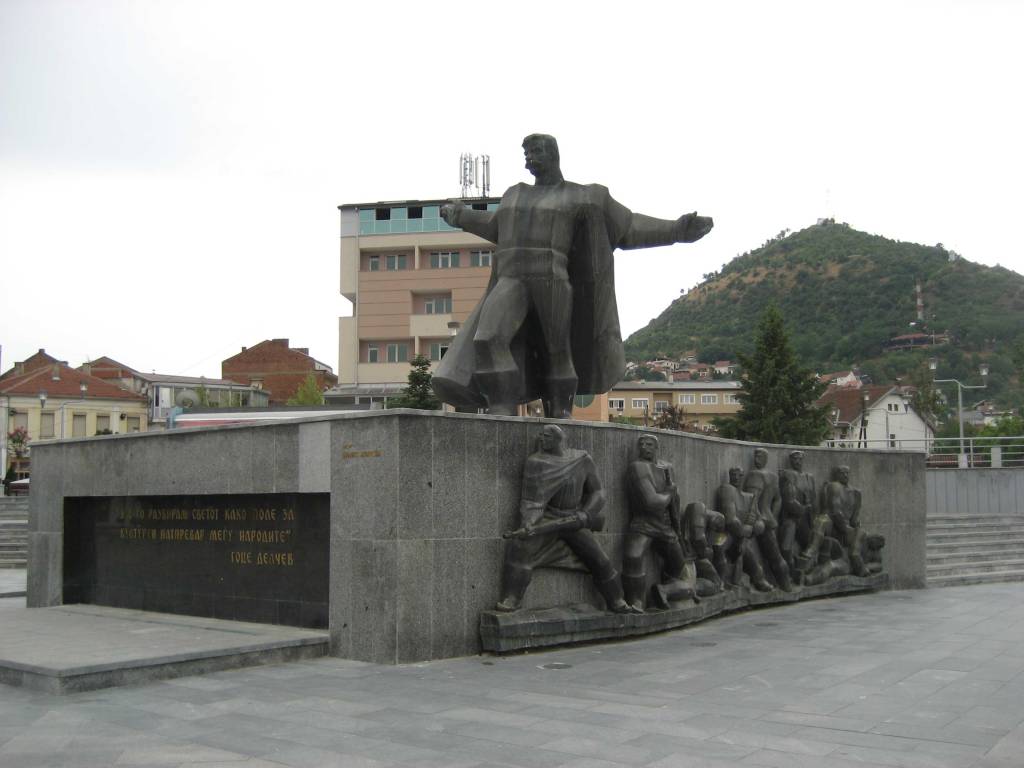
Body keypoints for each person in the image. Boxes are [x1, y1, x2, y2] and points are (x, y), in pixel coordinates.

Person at [433, 134, 713, 418]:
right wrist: (460, 216)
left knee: (557, 351)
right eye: (526, 152)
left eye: (536, 150)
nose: (529, 157)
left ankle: (560, 413)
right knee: (488, 338)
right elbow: (493, 226)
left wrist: (677, 231)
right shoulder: (514, 195)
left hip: (552, 277)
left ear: (553, 154)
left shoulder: (583, 196)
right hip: (511, 278)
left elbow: (627, 227)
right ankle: (502, 407)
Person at [495, 424, 635, 613]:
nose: (541, 440)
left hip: (575, 520)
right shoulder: (536, 462)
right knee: (520, 550)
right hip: (547, 518)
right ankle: (512, 598)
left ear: (558, 439)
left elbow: (599, 491)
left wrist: (586, 513)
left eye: (546, 436)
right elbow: (531, 500)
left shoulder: (582, 459)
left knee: (600, 559)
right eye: (541, 436)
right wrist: (529, 523)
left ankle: (616, 600)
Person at [622, 434, 695, 611]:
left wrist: (677, 531)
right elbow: (652, 502)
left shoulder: (667, 468)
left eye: (649, 444)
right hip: (643, 523)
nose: (645, 447)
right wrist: (670, 492)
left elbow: (674, 504)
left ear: (656, 448)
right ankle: (636, 602)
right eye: (642, 444)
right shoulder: (637, 467)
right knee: (633, 557)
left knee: (679, 566)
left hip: (665, 526)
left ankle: (664, 591)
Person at [716, 467, 773, 591]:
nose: (736, 478)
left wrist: (755, 527)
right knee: (718, 546)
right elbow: (731, 520)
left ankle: (758, 578)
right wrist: (745, 531)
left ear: (743, 477)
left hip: (743, 538)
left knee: (751, 560)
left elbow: (760, 521)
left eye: (739, 475)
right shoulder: (726, 490)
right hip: (727, 534)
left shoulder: (749, 498)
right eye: (733, 475)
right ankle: (719, 581)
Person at [743, 448, 792, 591]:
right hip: (769, 519)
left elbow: (752, 500)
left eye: (759, 456)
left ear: (765, 458)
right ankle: (783, 584)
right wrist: (773, 515)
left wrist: (759, 518)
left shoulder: (754, 475)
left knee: (771, 555)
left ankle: (785, 585)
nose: (756, 458)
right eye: (755, 456)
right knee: (774, 555)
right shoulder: (773, 477)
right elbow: (778, 499)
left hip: (759, 521)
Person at [778, 450, 816, 574]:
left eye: (800, 459)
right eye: (794, 459)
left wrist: (810, 514)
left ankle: (808, 570)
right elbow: (788, 501)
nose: (797, 461)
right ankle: (789, 571)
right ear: (790, 460)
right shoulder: (787, 475)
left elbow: (813, 500)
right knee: (785, 547)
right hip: (791, 518)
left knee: (811, 544)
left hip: (806, 519)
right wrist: (804, 509)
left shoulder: (809, 478)